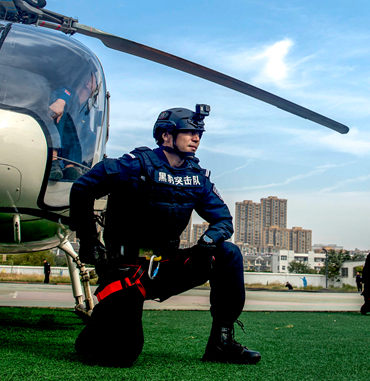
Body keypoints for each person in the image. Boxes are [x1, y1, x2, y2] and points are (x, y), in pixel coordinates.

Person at [69, 105, 260, 367]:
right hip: (126, 272)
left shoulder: (196, 177)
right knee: (121, 356)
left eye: (199, 134)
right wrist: (89, 241)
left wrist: (208, 240)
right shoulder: (133, 166)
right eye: (189, 133)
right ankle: (99, 330)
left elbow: (223, 220)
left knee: (228, 253)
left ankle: (221, 343)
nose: (196, 139)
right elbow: (82, 188)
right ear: (167, 135)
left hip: (166, 267)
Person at [49, 70, 99, 181]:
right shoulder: (68, 93)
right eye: (95, 81)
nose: (97, 87)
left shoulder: (85, 112)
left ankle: (71, 168)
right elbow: (64, 94)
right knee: (63, 116)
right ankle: (53, 159)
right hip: (52, 158)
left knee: (83, 136)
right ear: (88, 83)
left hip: (66, 159)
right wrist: (60, 102)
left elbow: (85, 135)